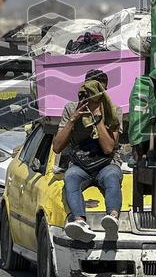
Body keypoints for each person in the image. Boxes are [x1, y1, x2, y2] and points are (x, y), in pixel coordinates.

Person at [52, 78, 123, 242]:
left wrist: (98, 119)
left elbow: (108, 148)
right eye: (86, 93)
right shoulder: (71, 108)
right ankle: (80, 222)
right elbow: (57, 147)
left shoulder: (113, 111)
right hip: (81, 164)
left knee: (112, 177)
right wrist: (73, 119)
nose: (89, 97)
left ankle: (112, 218)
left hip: (106, 163)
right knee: (70, 177)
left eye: (94, 93)